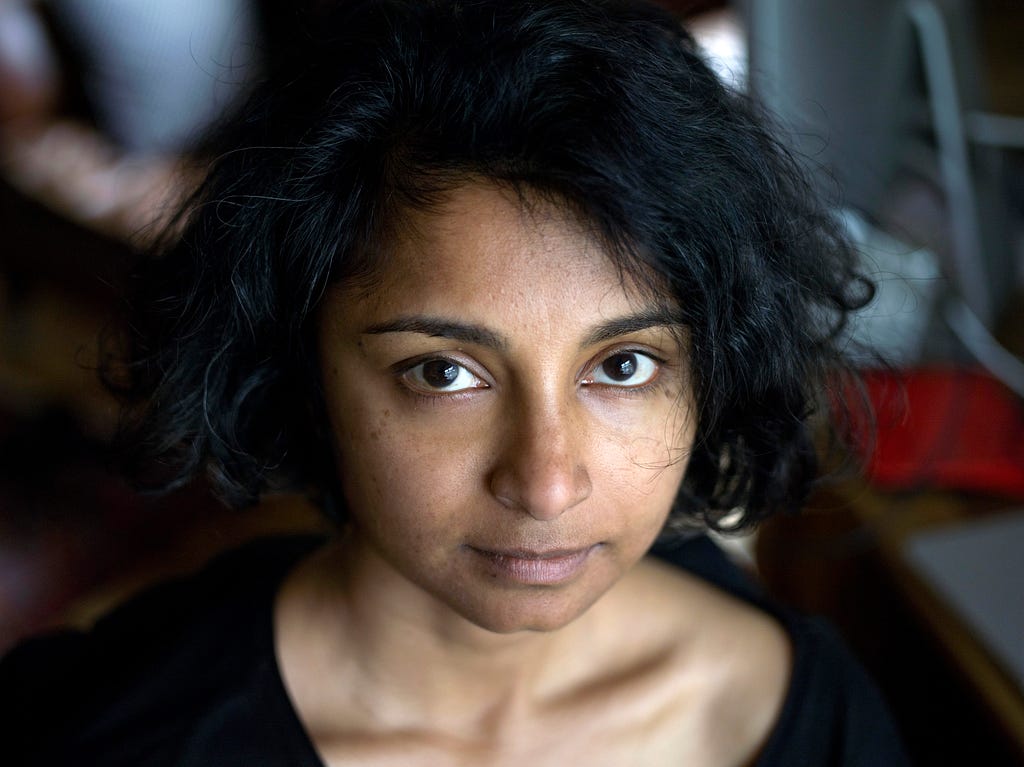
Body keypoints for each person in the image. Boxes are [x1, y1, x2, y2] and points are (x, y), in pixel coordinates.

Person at [0, 1, 910, 764]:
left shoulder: (810, 722)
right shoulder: (116, 731)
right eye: (445, 372)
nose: (547, 482)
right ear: (302, 364)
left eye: (623, 366)